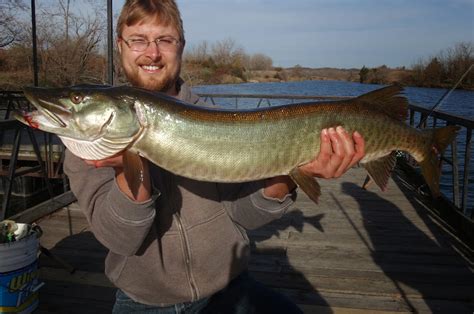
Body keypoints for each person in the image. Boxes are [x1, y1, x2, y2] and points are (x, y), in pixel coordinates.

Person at [63, 0, 365, 313]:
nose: (151, 53)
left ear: (181, 46)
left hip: (229, 289)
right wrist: (128, 170)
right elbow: (122, 240)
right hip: (145, 302)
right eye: (138, 40)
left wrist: (289, 174)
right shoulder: (87, 145)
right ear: (121, 46)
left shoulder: (217, 117)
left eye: (165, 40)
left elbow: (244, 216)